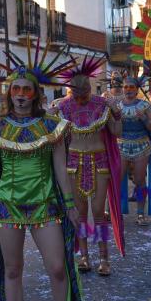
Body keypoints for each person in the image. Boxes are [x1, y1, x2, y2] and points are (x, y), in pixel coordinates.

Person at [0, 51, 88, 301]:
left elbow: (60, 169)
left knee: (58, 267)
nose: (21, 93)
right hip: (6, 206)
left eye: (27, 89)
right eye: (16, 88)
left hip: (45, 205)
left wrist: (71, 204)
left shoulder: (53, 127)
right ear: (9, 92)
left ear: (36, 94)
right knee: (13, 269)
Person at [52, 55, 124, 276]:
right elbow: (54, 138)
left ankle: (104, 258)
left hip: (99, 161)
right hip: (74, 163)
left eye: (84, 91)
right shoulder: (63, 107)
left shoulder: (103, 105)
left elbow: (117, 132)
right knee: (80, 212)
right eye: (76, 92)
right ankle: (84, 256)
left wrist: (117, 113)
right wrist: (50, 117)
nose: (80, 97)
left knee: (97, 212)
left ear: (89, 87)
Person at [118, 77, 151, 226]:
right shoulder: (117, 105)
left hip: (141, 145)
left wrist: (144, 119)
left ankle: (140, 213)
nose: (128, 90)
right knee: (116, 180)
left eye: (131, 87)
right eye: (126, 87)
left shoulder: (144, 105)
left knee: (140, 180)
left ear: (137, 89)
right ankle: (113, 212)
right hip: (121, 145)